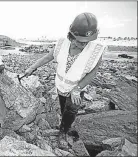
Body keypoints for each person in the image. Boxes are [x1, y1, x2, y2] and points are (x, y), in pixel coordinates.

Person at [24, 12, 108, 150]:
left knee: (71, 109)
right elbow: (47, 58)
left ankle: (63, 132)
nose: (84, 45)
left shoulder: (97, 49)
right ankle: (65, 123)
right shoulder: (62, 43)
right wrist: (32, 68)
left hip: (77, 88)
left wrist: (78, 89)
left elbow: (93, 72)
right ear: (72, 37)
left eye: (87, 41)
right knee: (64, 108)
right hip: (61, 85)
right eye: (81, 42)